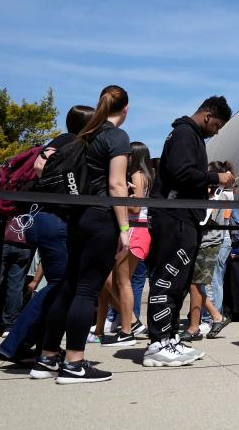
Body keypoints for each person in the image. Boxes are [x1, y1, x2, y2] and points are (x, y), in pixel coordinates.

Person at [32, 85, 131, 383]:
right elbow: (116, 185)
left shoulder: (86, 134)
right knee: (87, 289)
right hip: (102, 218)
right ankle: (75, 362)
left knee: (68, 286)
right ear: (125, 109)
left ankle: (47, 357)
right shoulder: (116, 137)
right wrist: (125, 229)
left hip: (77, 217)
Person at [0, 105, 94, 363]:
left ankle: (43, 346)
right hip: (57, 220)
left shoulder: (53, 145)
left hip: (38, 217)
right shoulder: (75, 147)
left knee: (59, 283)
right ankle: (16, 343)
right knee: (60, 285)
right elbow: (73, 188)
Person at [142, 96, 235, 367]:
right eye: (217, 125)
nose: (216, 131)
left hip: (183, 217)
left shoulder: (189, 136)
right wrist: (215, 177)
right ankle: (158, 341)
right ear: (207, 116)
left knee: (180, 283)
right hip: (174, 217)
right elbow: (180, 172)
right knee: (169, 279)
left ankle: (168, 337)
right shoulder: (185, 133)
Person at [91, 140, 154, 347]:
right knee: (108, 282)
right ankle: (107, 329)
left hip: (135, 230)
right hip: (134, 230)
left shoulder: (137, 175)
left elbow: (135, 208)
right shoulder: (144, 175)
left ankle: (128, 329)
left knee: (122, 282)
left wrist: (123, 193)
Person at [181, 162, 233, 341]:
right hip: (202, 243)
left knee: (198, 284)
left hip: (210, 244)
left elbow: (206, 220)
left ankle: (198, 324)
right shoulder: (208, 196)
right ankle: (216, 317)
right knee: (195, 285)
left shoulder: (219, 197)